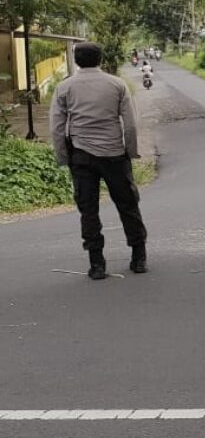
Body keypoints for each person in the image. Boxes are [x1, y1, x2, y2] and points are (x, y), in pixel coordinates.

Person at [49, 42, 148, 280]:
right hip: (114, 154)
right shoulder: (117, 84)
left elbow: (56, 127)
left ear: (76, 60)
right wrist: (130, 151)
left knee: (88, 210)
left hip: (81, 156)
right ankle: (138, 257)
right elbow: (131, 124)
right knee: (127, 204)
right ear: (100, 59)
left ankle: (97, 264)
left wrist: (64, 156)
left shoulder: (65, 87)